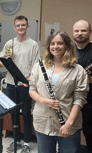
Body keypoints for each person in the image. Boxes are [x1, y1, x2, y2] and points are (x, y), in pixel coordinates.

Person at [29, 31, 89, 153]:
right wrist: (43, 100)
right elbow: (32, 89)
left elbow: (79, 99)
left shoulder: (78, 70)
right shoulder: (39, 66)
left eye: (60, 43)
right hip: (43, 122)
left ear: (67, 46)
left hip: (67, 123)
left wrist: (68, 124)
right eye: (52, 43)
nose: (55, 47)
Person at [0, 15, 40, 153]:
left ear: (27, 26)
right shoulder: (10, 43)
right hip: (10, 84)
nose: (21, 27)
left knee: (27, 114)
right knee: (13, 114)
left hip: (25, 85)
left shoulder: (33, 45)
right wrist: (2, 61)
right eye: (18, 25)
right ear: (14, 27)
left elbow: (36, 67)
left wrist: (28, 81)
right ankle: (16, 140)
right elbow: (1, 62)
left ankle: (27, 142)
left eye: (23, 25)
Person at [72, 20, 92, 152]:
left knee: (89, 129)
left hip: (90, 100)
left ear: (90, 32)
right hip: (71, 98)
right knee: (71, 128)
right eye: (77, 31)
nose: (80, 33)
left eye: (83, 30)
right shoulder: (69, 51)